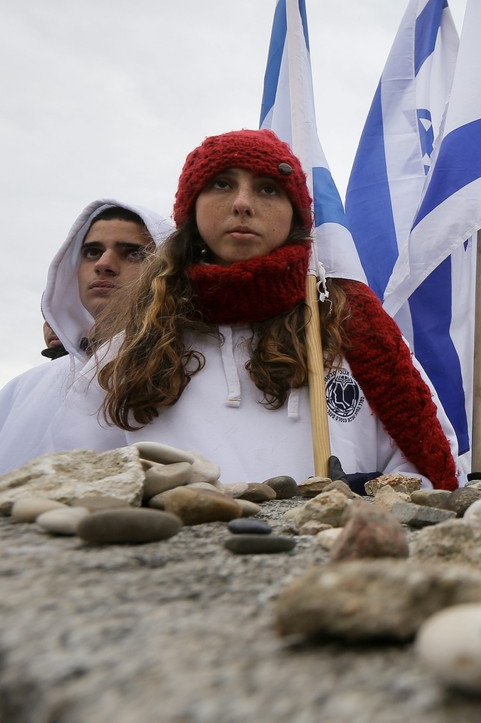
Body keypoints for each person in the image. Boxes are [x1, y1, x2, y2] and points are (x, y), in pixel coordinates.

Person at [71, 129, 458, 488]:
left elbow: (426, 466)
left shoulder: (354, 331)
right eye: (222, 184)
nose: (242, 203)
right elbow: (84, 477)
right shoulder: (127, 352)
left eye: (268, 189)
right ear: (191, 208)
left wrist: (366, 502)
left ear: (295, 215)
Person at [0, 201, 170, 473]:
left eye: (133, 254)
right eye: (92, 252)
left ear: (165, 267)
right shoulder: (22, 388)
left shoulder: (190, 372)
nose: (104, 264)